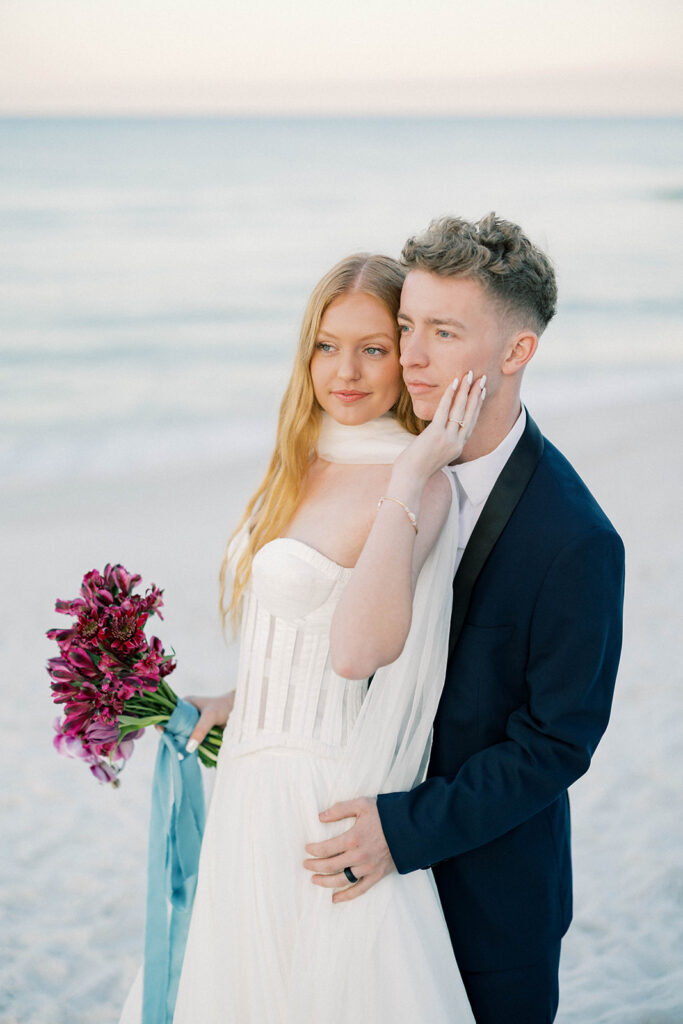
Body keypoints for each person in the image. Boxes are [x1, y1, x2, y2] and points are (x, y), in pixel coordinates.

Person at [119, 252, 484, 1023]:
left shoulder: (420, 481)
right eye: (326, 345)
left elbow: (357, 652)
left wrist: (412, 473)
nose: (344, 371)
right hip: (251, 779)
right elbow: (301, 628)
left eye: (372, 348)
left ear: (407, 355)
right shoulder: (305, 457)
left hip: (320, 798)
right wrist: (235, 697)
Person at [302, 214, 626, 1024]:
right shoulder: (382, 467)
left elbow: (555, 744)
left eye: (443, 333)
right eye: (406, 326)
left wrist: (400, 830)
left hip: (483, 898)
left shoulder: (575, 540)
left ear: (516, 351)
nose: (408, 357)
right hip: (348, 879)